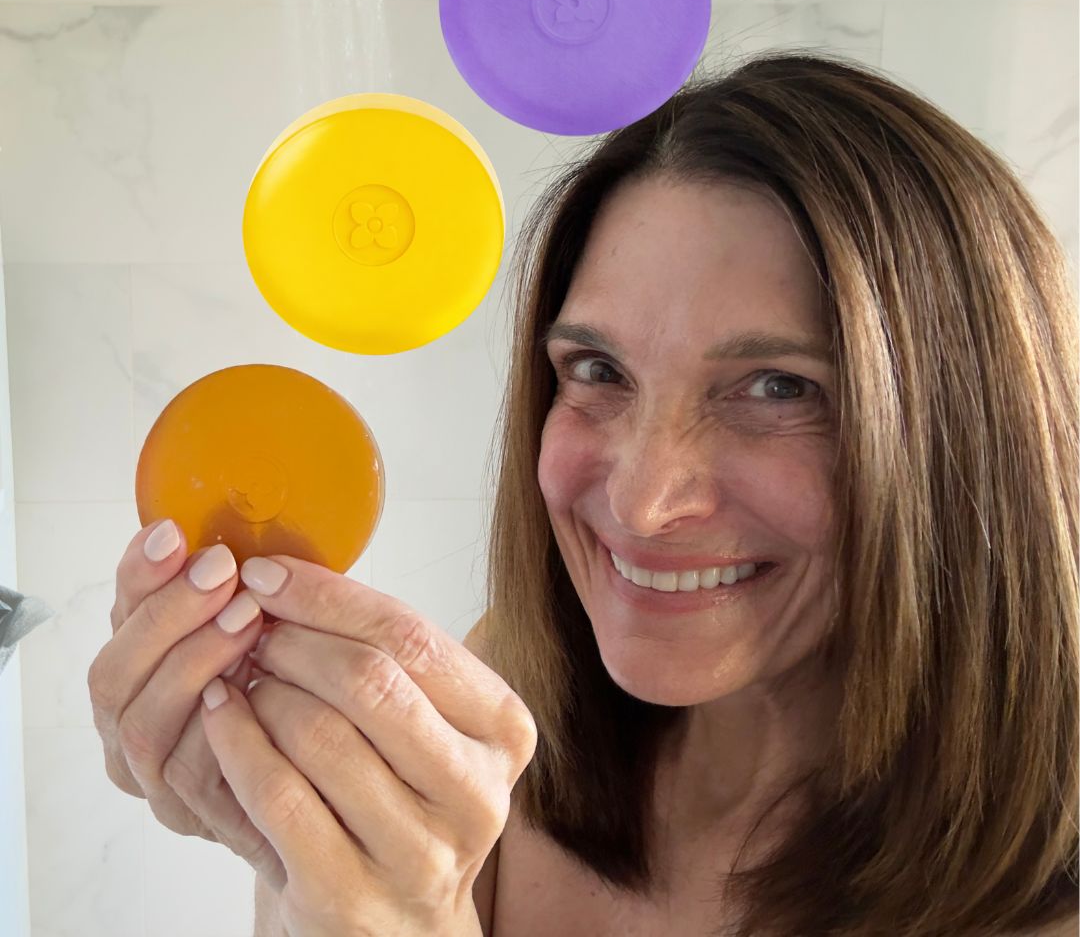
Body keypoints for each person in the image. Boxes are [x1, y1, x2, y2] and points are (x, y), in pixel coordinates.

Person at [90, 49, 1078, 936]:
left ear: (965, 435)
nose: (645, 503)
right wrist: (298, 845)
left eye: (779, 389)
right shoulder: (509, 699)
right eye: (599, 371)